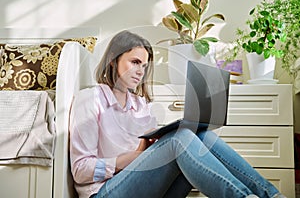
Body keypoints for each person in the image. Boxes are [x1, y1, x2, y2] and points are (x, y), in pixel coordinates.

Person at [69, 30, 286, 198]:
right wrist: (131, 159)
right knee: (179, 140)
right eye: (134, 62)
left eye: (144, 66)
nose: (140, 71)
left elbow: (149, 157)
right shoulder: (91, 99)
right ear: (113, 60)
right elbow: (80, 170)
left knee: (200, 135)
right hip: (104, 192)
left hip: (142, 186)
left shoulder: (140, 104)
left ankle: (272, 195)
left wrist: (153, 147)